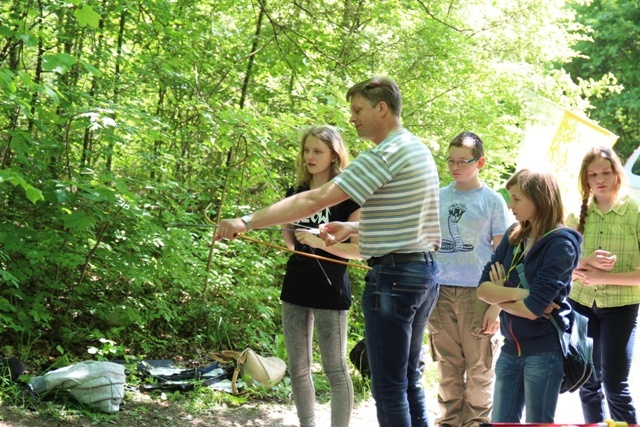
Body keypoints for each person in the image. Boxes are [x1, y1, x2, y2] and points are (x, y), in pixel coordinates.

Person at [216, 76, 442, 427]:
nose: (352, 118)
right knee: (408, 378)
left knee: (389, 385)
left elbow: (315, 199)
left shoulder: (387, 153)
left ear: (381, 108)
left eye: (358, 110)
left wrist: (246, 221)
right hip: (423, 272)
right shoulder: (416, 148)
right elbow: (409, 220)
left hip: (395, 278)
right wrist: (353, 228)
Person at [476, 168, 582, 423]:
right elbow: (481, 289)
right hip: (511, 349)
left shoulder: (562, 244)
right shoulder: (514, 234)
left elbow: (532, 309)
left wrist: (499, 293)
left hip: (544, 353)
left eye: (516, 198)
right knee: (502, 422)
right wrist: (521, 293)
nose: (510, 205)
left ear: (539, 199)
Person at [427, 131, 510, 427]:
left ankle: (476, 422)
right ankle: (448, 421)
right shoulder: (437, 197)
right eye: (450, 160)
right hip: (439, 293)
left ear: (480, 162)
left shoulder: (493, 202)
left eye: (462, 161)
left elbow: (504, 257)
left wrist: (496, 306)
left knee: (479, 367)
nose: (455, 166)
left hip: (480, 294)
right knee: (448, 366)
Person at [280, 125, 361, 427]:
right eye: (307, 150)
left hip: (332, 291)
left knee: (335, 368)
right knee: (298, 367)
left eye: (318, 151)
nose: (310, 156)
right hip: (296, 287)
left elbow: (359, 250)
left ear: (334, 155)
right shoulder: (296, 193)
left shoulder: (348, 197)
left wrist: (319, 241)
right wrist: (291, 231)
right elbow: (290, 244)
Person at [568, 146, 640, 424]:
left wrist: (603, 277)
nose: (600, 179)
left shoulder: (633, 212)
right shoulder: (576, 214)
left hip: (620, 307)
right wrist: (585, 262)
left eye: (605, 173)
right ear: (585, 179)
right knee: (587, 382)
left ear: (617, 174)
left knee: (615, 385)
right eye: (593, 174)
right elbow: (562, 270)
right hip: (582, 304)